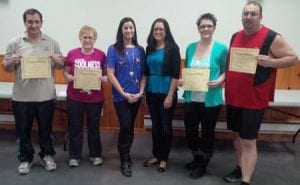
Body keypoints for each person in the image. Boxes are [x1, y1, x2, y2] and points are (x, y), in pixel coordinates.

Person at [224, 2, 299, 185]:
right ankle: (239, 168)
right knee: (237, 136)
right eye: (246, 13)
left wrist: (271, 63)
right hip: (234, 97)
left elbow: (294, 58)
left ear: (260, 17)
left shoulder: (271, 37)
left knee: (249, 140)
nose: (249, 17)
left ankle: (246, 180)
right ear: (242, 16)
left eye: (253, 14)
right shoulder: (235, 36)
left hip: (254, 99)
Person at [2, 8, 64, 175]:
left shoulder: (52, 42)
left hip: (46, 96)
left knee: (46, 129)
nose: (33, 25)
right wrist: (10, 61)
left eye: (37, 22)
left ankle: (47, 156)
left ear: (41, 23)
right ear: (25, 23)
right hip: (22, 97)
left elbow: (60, 65)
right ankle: (25, 159)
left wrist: (59, 61)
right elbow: (6, 68)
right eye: (30, 22)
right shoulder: (15, 43)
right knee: (23, 130)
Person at [181, 13, 228, 179]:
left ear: (214, 28)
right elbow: (187, 69)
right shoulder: (190, 47)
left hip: (211, 100)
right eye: (203, 26)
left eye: (209, 26)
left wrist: (219, 81)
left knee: (207, 132)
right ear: (198, 28)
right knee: (190, 131)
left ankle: (203, 164)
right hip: (191, 98)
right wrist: (183, 81)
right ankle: (197, 157)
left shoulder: (221, 49)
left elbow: (225, 71)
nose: (206, 29)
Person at [106, 17, 145, 177]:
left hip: (136, 96)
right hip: (120, 97)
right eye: (125, 28)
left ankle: (127, 154)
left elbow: (144, 74)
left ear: (134, 30)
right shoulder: (113, 49)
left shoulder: (140, 50)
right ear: (121, 30)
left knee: (131, 127)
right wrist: (123, 93)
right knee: (125, 126)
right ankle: (123, 159)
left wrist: (140, 92)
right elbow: (110, 74)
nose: (128, 30)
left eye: (131, 28)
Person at [64, 25, 107, 167]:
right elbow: (66, 73)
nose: (87, 40)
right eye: (85, 37)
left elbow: (107, 75)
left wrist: (104, 79)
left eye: (90, 37)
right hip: (75, 97)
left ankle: (95, 155)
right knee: (75, 127)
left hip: (95, 99)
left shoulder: (101, 55)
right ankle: (74, 156)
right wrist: (69, 77)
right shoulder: (72, 53)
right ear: (80, 38)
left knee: (94, 128)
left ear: (95, 39)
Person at [143, 18, 181, 172]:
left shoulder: (173, 48)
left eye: (161, 29)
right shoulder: (149, 48)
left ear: (166, 32)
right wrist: (145, 93)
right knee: (156, 127)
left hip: (166, 92)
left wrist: (170, 95)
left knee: (166, 126)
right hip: (152, 91)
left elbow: (175, 74)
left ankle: (164, 158)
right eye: (155, 29)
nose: (158, 32)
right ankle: (156, 155)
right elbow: (146, 72)